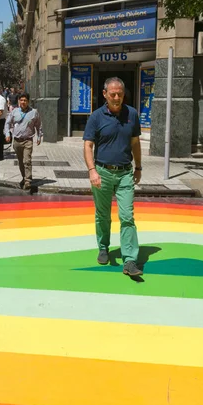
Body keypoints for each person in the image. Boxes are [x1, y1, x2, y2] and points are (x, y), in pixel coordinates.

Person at [83, 77, 142, 277]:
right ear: (105, 94)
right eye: (113, 94)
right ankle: (103, 247)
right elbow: (88, 145)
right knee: (102, 215)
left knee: (127, 216)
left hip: (125, 172)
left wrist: (139, 167)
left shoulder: (132, 114)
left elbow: (135, 143)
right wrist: (92, 170)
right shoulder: (96, 117)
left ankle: (130, 260)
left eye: (120, 94)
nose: (117, 98)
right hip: (102, 172)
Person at [5, 92, 42, 191]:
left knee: (27, 160)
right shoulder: (14, 112)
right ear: (18, 101)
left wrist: (39, 137)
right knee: (21, 162)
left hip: (28, 141)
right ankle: (24, 177)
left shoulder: (34, 112)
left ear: (28, 101)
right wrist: (7, 134)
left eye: (25, 100)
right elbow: (7, 123)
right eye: (21, 100)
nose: (23, 102)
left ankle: (28, 181)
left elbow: (38, 126)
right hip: (17, 141)